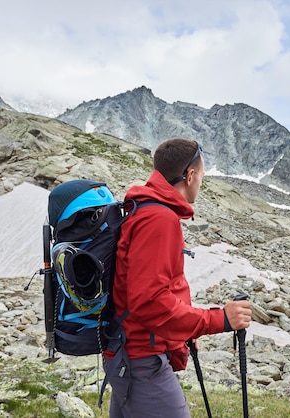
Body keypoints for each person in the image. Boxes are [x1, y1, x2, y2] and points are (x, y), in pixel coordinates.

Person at [104, 138, 252, 418]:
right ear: (191, 175)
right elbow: (148, 303)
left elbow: (150, 289)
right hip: (141, 362)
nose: (200, 185)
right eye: (201, 177)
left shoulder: (145, 209)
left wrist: (183, 332)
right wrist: (219, 319)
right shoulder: (159, 219)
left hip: (130, 352)